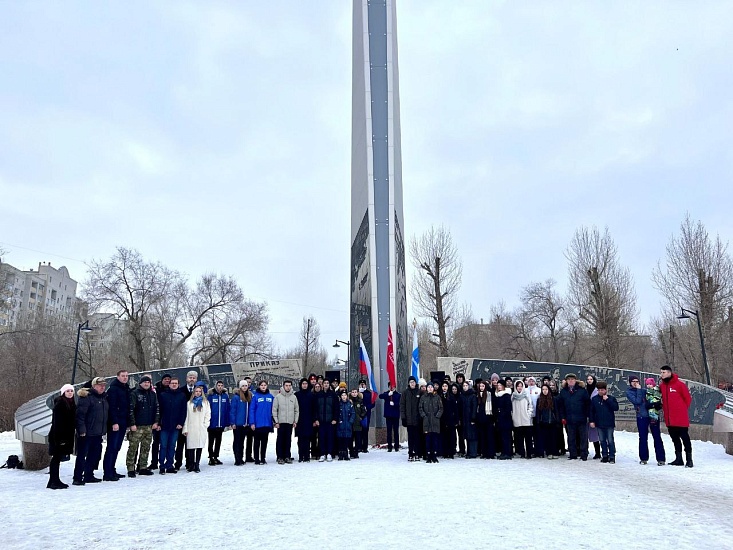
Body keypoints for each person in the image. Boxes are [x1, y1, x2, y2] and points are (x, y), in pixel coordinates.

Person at [73, 377, 109, 485]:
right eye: (100, 385)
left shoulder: (104, 397)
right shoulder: (87, 397)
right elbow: (80, 416)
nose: (102, 387)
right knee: (82, 455)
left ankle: (89, 474)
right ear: (94, 386)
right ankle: (77, 477)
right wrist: (82, 430)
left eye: (104, 385)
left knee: (94, 455)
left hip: (98, 432)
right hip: (87, 432)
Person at [126, 375, 159, 477]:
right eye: (145, 382)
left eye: (148, 382)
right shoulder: (135, 393)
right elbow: (130, 409)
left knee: (146, 447)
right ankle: (131, 468)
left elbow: (157, 408)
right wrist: (132, 424)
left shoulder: (153, 394)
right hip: (137, 426)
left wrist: (156, 422)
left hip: (149, 426)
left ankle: (142, 467)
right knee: (133, 447)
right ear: (140, 383)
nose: (146, 384)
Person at [660, 365, 693, 467]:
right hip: (670, 419)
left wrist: (681, 410)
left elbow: (687, 399)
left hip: (681, 418)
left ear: (669, 373)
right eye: (661, 372)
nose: (662, 374)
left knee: (685, 439)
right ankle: (679, 459)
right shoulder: (662, 386)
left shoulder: (679, 385)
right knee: (675, 439)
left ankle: (689, 460)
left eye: (663, 372)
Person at [102, 370, 130, 481]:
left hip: (123, 422)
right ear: (117, 377)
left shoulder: (125, 388)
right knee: (111, 447)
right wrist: (114, 422)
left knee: (117, 448)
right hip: (115, 423)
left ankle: (112, 470)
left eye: (127, 376)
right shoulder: (113, 389)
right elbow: (112, 407)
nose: (125, 378)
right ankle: (107, 472)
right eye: (123, 376)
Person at [48, 384, 76, 489]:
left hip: (65, 435)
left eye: (71, 391)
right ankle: (54, 481)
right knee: (56, 458)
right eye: (67, 391)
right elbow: (57, 423)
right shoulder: (60, 404)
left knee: (57, 458)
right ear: (63, 393)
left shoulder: (71, 403)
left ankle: (53, 480)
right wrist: (60, 439)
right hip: (59, 436)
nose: (70, 393)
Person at [157, 377, 187, 474]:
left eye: (176, 383)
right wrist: (158, 423)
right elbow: (159, 410)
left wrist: (180, 423)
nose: (174, 384)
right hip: (164, 425)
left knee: (172, 446)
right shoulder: (163, 395)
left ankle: (170, 465)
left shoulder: (182, 396)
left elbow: (183, 411)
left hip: (175, 426)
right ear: (169, 384)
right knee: (163, 446)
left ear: (178, 385)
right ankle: (162, 465)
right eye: (172, 383)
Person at [558, 373, 590, 460]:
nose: (571, 381)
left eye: (572, 379)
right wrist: (563, 417)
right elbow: (561, 406)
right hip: (569, 419)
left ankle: (584, 454)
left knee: (583, 438)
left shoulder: (582, 390)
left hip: (581, 418)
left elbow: (588, 404)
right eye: (569, 379)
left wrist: (587, 415)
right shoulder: (563, 392)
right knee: (571, 437)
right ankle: (573, 454)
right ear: (566, 381)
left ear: (575, 380)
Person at [183, 382, 210, 472]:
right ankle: (191, 464)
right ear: (193, 393)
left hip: (201, 427)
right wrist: (185, 428)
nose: (198, 393)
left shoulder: (205, 403)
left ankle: (197, 464)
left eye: (199, 391)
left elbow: (208, 414)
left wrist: (205, 424)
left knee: (199, 446)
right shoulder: (189, 404)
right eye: (196, 391)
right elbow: (186, 416)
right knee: (191, 447)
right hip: (191, 427)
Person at [589, 381, 619, 463]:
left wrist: (608, 400)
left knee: (610, 440)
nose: (601, 392)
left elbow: (615, 407)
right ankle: (604, 455)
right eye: (599, 390)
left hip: (609, 423)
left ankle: (612, 456)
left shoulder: (611, 398)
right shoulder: (594, 399)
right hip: (599, 423)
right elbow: (591, 411)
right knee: (602, 440)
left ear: (606, 390)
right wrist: (591, 421)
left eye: (602, 390)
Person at [175, 370, 199, 471]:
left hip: (193, 422)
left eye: (193, 378)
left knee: (191, 444)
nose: (192, 379)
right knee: (180, 444)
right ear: (186, 379)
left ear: (196, 379)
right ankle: (178, 463)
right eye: (190, 377)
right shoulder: (180, 390)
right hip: (182, 420)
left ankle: (190, 463)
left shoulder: (198, 392)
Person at [273, 380, 299, 464]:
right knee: (280, 439)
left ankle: (287, 456)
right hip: (281, 422)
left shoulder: (293, 397)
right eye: (286, 385)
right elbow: (274, 410)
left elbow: (296, 410)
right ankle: (280, 456)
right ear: (283, 386)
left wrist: (295, 420)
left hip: (290, 422)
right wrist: (276, 421)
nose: (288, 387)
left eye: (289, 385)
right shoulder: (278, 397)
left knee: (288, 440)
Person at [250, 380, 275, 465]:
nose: (263, 387)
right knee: (256, 442)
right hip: (258, 424)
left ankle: (263, 458)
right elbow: (252, 410)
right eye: (262, 385)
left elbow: (274, 410)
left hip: (267, 423)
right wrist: (252, 423)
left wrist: (274, 421)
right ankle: (257, 458)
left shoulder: (271, 397)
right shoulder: (255, 397)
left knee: (264, 442)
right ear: (259, 386)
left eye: (265, 385)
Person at [150, 373, 171, 470]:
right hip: (158, 420)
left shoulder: (173, 390)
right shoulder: (156, 390)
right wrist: (157, 421)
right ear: (162, 380)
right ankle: (154, 462)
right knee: (156, 442)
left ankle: (167, 461)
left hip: (168, 421)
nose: (167, 381)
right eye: (165, 379)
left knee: (167, 443)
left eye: (168, 379)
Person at [419, 382, 443, 463]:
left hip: (435, 422)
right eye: (428, 387)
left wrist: (437, 416)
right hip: (426, 421)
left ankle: (434, 455)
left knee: (435, 439)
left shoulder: (437, 397)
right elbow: (420, 408)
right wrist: (424, 416)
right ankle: (428, 455)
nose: (430, 388)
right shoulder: (423, 397)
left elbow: (441, 408)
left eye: (431, 387)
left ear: (433, 388)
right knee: (428, 439)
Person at [314, 379, 338, 462]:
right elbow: (315, 408)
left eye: (328, 383)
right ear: (322, 385)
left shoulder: (333, 395)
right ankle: (322, 454)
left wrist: (335, 418)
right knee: (321, 438)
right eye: (325, 383)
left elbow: (336, 408)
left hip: (330, 421)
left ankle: (329, 453)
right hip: (321, 421)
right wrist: (316, 419)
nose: (326, 384)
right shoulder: (318, 395)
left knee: (330, 438)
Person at [207, 380, 230, 466]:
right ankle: (211, 457)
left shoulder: (225, 396)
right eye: (218, 385)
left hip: (221, 423)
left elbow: (227, 409)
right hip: (212, 423)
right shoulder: (211, 396)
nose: (220, 387)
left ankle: (216, 456)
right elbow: (207, 409)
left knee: (218, 441)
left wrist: (227, 422)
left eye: (221, 385)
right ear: (216, 386)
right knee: (211, 441)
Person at [644, 377, 666, 466]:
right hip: (647, 414)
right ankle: (645, 457)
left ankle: (661, 458)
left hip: (655, 415)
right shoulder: (646, 392)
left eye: (650, 384)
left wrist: (656, 405)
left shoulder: (658, 391)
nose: (649, 386)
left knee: (657, 436)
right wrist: (652, 404)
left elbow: (659, 402)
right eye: (647, 384)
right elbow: (646, 404)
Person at [230, 380, 253, 466]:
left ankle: (241, 457)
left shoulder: (249, 396)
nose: (244, 387)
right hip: (238, 423)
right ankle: (237, 458)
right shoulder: (236, 397)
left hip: (245, 424)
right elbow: (233, 410)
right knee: (237, 441)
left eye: (246, 386)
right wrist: (232, 422)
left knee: (242, 442)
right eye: (243, 386)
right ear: (240, 387)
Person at [400, 376, 421, 461]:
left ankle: (416, 453)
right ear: (409, 383)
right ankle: (410, 453)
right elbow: (402, 406)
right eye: (411, 382)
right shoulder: (405, 393)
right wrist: (403, 418)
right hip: (409, 420)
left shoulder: (419, 392)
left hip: (417, 419)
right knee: (410, 437)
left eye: (413, 382)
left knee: (417, 437)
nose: (412, 383)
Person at [535, 384, 559, 459]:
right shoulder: (539, 399)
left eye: (546, 389)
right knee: (546, 438)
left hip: (552, 421)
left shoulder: (553, 399)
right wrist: (538, 421)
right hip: (543, 422)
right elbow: (538, 412)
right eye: (543, 389)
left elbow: (556, 411)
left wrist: (557, 420)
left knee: (553, 438)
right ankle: (548, 452)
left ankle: (554, 452)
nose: (544, 391)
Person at [511, 380, 534, 459]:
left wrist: (528, 414)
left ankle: (529, 453)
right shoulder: (513, 396)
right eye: (518, 386)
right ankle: (522, 453)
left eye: (521, 386)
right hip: (517, 420)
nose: (519, 388)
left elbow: (530, 405)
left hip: (526, 420)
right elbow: (511, 408)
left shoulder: (526, 395)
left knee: (528, 438)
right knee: (519, 439)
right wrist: (513, 415)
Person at [294, 378, 314, 462]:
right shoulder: (297, 395)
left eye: (306, 383)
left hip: (309, 419)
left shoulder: (311, 395)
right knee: (300, 439)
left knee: (307, 438)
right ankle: (300, 455)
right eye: (303, 384)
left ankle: (307, 456)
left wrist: (314, 419)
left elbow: (314, 408)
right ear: (300, 385)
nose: (304, 385)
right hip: (299, 419)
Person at [475, 380, 495, 459]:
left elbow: (492, 407)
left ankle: (491, 453)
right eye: (480, 386)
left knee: (489, 437)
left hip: (488, 418)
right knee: (482, 437)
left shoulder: (489, 395)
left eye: (483, 386)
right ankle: (484, 453)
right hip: (480, 419)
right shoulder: (477, 396)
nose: (481, 388)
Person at [493, 380, 513, 460]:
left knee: (506, 437)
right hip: (500, 420)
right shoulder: (498, 395)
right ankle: (503, 452)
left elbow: (508, 409)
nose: (499, 387)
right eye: (498, 385)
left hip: (506, 420)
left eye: (500, 385)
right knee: (502, 437)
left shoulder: (506, 395)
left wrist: (501, 413)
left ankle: (507, 453)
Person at [379, 384, 401, 452]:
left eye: (393, 387)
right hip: (388, 415)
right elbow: (380, 396)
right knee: (389, 431)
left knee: (396, 431)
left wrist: (394, 404)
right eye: (390, 386)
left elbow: (400, 403)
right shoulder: (387, 393)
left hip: (395, 415)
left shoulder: (398, 394)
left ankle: (396, 446)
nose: (392, 388)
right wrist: (388, 394)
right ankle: (389, 446)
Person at [460, 381, 478, 459]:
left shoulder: (473, 395)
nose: (465, 387)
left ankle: (473, 452)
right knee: (467, 435)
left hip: (471, 418)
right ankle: (469, 452)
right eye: (463, 386)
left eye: (466, 385)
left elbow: (474, 407)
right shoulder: (462, 396)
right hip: (464, 418)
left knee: (472, 436)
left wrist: (473, 418)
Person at [336, 391, 356, 460]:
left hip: (347, 425)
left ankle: (346, 453)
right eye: (342, 395)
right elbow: (336, 413)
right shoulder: (339, 404)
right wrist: (339, 420)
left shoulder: (349, 404)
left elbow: (353, 413)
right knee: (341, 439)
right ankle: (341, 454)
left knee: (346, 439)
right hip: (341, 425)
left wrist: (350, 421)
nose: (344, 397)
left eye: (345, 395)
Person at [586, 374, 601, 459]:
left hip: (595, 415)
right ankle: (585, 451)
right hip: (586, 414)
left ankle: (598, 452)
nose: (589, 380)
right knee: (587, 434)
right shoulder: (585, 390)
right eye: (588, 379)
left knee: (596, 435)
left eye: (591, 379)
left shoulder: (596, 390)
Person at [349, 388, 367, 459]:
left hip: (358, 423)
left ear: (357, 393)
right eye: (352, 392)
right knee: (350, 439)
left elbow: (364, 411)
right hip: (350, 423)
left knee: (358, 439)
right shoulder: (349, 401)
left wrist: (361, 417)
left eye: (355, 392)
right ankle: (351, 452)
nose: (354, 393)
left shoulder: (360, 401)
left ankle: (356, 452)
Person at [358, 379, 374, 452]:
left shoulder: (369, 393)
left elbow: (373, 403)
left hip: (367, 414)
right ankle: (359, 446)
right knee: (358, 430)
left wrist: (367, 407)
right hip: (358, 414)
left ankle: (365, 447)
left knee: (365, 430)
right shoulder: (356, 393)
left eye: (363, 384)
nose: (362, 385)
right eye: (361, 384)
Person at [310, 382, 323, 460]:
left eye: (319, 387)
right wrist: (314, 420)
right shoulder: (312, 396)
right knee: (313, 438)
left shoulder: (322, 395)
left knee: (320, 437)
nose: (317, 388)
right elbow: (312, 409)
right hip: (314, 419)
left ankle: (319, 452)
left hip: (321, 419)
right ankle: (313, 453)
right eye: (316, 387)